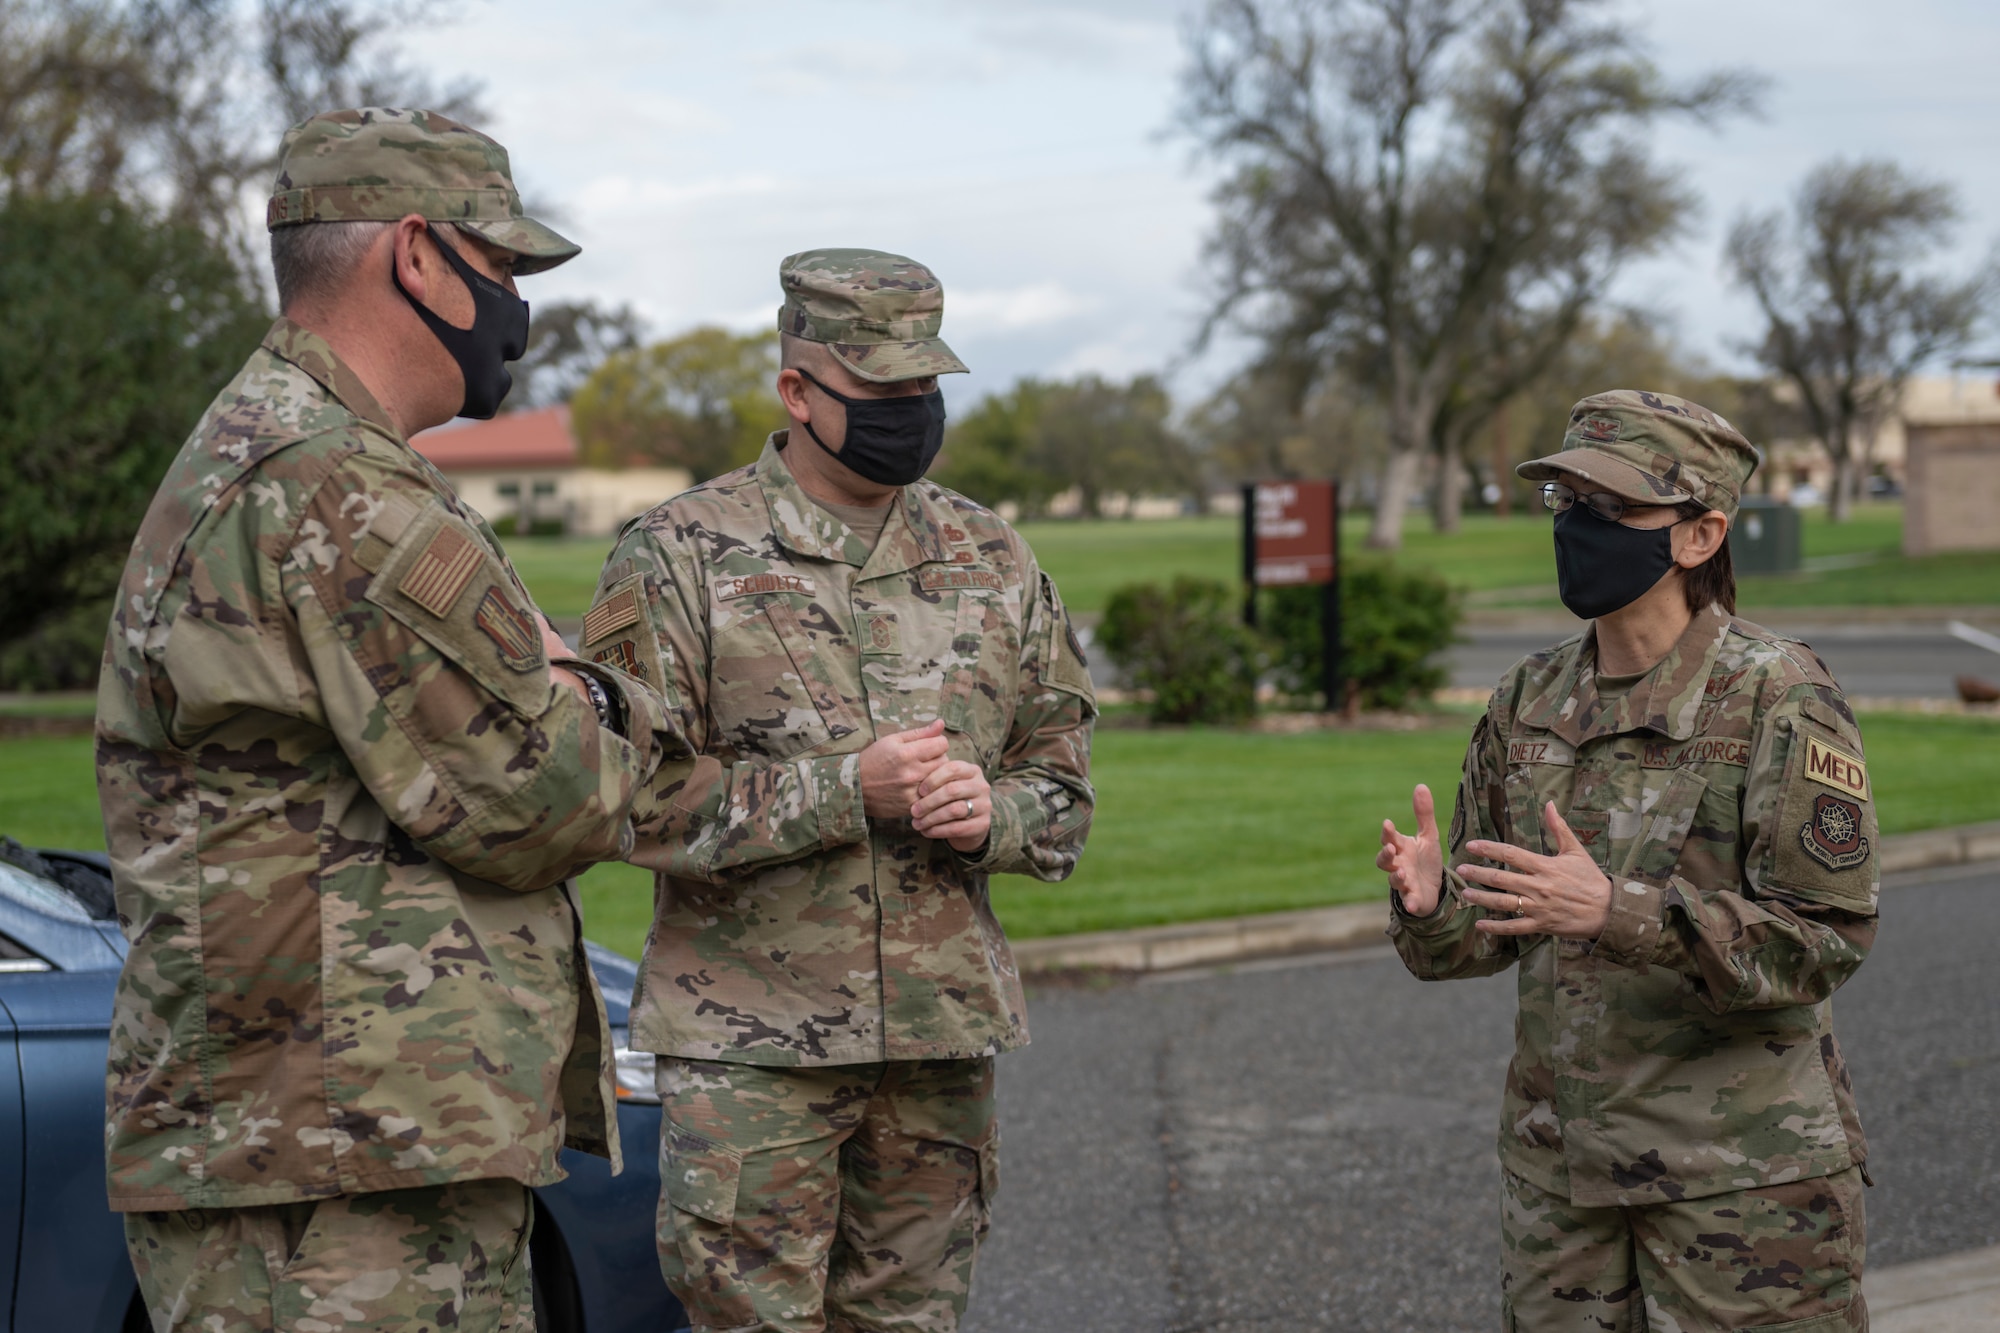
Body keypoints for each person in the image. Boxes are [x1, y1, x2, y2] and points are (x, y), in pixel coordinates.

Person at [97, 107, 683, 1332]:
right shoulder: (333, 479)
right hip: (338, 1176)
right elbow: (548, 796)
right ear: (417, 256)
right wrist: (597, 689)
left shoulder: (287, 448)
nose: (517, 304)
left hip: (326, 1151)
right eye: (503, 266)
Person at [577, 248, 1097, 1332]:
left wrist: (993, 815)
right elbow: (627, 799)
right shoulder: (678, 555)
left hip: (936, 1044)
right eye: (880, 394)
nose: (909, 414)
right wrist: (842, 790)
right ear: (797, 391)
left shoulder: (990, 554)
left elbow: (1061, 786)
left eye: (924, 390)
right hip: (751, 1052)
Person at [1378, 391, 1876, 1332]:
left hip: (1740, 1183)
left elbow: (1827, 937)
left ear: (1700, 534)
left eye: (1612, 509)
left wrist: (1621, 910)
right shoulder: (1527, 699)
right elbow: (1480, 941)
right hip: (1560, 1178)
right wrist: (1433, 905)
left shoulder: (1779, 694)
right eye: (1566, 504)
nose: (1579, 528)